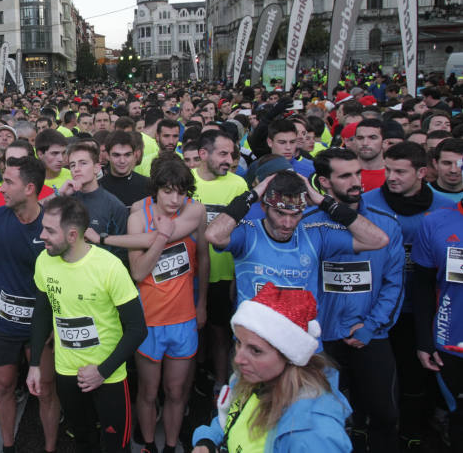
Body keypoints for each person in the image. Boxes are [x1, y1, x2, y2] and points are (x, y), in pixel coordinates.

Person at [27, 196, 146, 453]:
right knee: (83, 441)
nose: (41, 236)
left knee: (116, 447)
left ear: (72, 235)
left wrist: (102, 371)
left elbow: (138, 329)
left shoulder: (110, 267)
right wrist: (35, 364)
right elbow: (41, 315)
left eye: (49, 230)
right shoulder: (44, 261)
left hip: (109, 375)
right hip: (67, 372)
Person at [308, 148, 404, 452]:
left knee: (385, 413)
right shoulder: (307, 223)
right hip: (323, 339)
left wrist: (371, 326)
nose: (356, 182)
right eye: (346, 175)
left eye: (358, 173)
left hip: (369, 332)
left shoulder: (385, 223)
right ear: (324, 181)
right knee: (326, 416)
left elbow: (394, 282)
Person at [363, 141, 456, 445]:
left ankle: (414, 431)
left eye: (400, 172)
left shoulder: (446, 207)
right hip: (378, 307)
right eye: (388, 169)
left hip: (426, 307)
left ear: (422, 172)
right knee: (380, 376)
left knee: (418, 375)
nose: (391, 177)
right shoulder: (368, 202)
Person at [191, 284, 352, 452]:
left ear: (290, 355)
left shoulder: (312, 433)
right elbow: (230, 418)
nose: (238, 359)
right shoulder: (251, 378)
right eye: (239, 342)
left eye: (255, 351)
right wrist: (208, 440)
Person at [0, 156, 61, 453]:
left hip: (42, 324)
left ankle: (50, 447)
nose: (1, 187)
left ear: (30, 188)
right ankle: (8, 446)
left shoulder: (53, 224)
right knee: (3, 385)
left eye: (9, 182)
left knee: (46, 390)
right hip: (2, 321)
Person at [205, 170, 389, 306]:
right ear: (263, 207)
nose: (287, 223)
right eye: (279, 213)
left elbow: (377, 240)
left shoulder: (316, 235)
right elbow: (213, 235)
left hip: (301, 343)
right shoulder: (248, 234)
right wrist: (250, 195)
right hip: (255, 343)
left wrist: (326, 203)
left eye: (295, 214)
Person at [128, 156, 208, 453]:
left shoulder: (193, 214)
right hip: (149, 321)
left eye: (181, 192)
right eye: (168, 191)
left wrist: (202, 304)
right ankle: (149, 444)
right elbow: (137, 271)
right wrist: (161, 237)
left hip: (184, 319)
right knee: (149, 391)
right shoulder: (138, 217)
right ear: (156, 190)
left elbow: (205, 258)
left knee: (175, 391)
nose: (175, 199)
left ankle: (171, 446)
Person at [190, 130, 248, 395]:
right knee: (193, 333)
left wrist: (237, 276)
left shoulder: (238, 185)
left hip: (224, 275)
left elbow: (244, 234)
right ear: (203, 154)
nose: (229, 159)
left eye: (231, 154)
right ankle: (191, 380)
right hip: (188, 275)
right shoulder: (185, 181)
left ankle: (220, 385)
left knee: (220, 332)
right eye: (223, 154)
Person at [411, 196, 463, 449]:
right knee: (459, 418)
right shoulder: (436, 222)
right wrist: (424, 340)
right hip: (451, 343)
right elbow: (421, 285)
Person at [60, 141, 129, 267]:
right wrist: (60, 196)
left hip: (101, 273)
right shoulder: (65, 200)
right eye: (72, 165)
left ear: (97, 168)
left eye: (83, 163)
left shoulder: (114, 206)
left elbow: (122, 252)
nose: (77, 169)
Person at [98, 130, 150, 209]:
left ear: (134, 155)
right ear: (108, 156)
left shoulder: (148, 186)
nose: (122, 161)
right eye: (116, 155)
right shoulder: (98, 188)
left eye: (127, 155)